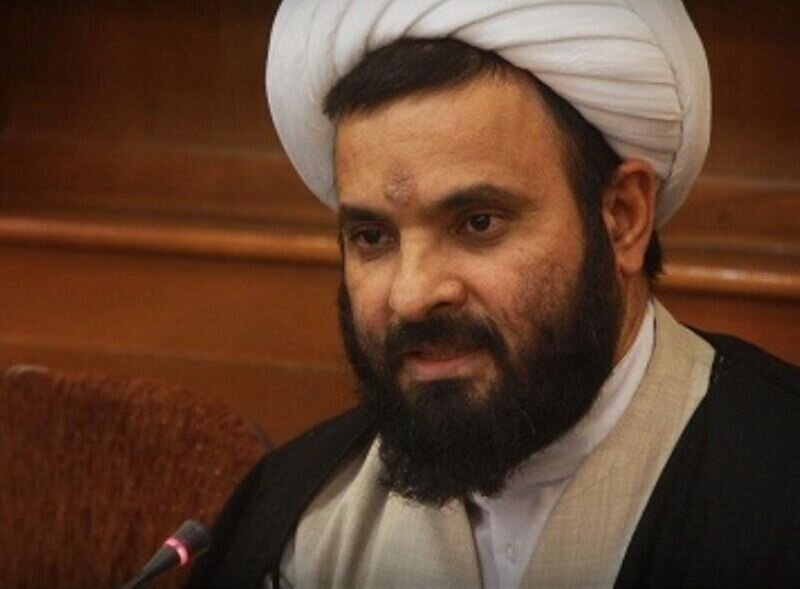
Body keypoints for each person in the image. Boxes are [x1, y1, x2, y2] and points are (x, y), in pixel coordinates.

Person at [186, 1, 800, 587]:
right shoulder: (293, 519)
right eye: (373, 237)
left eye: (478, 223)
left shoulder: (777, 488)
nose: (412, 295)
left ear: (622, 218)